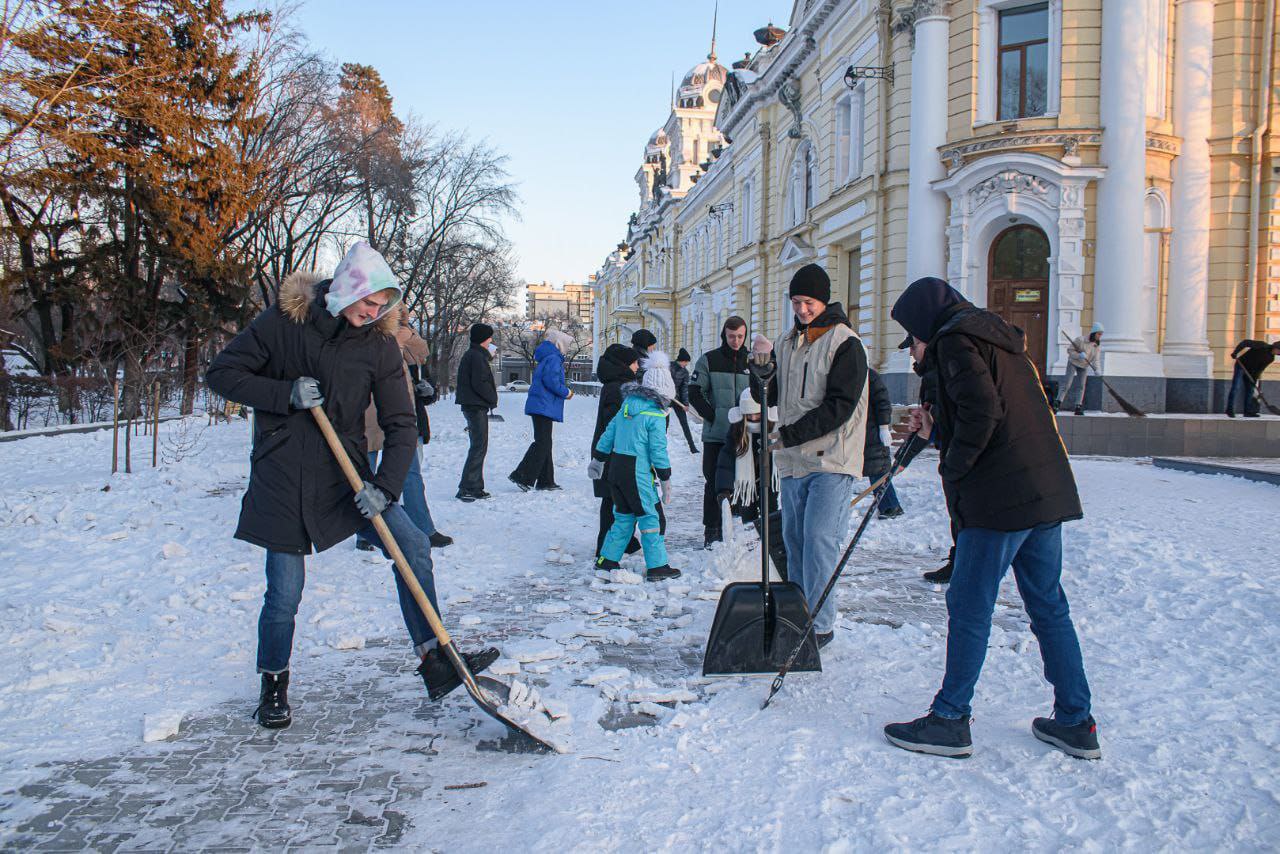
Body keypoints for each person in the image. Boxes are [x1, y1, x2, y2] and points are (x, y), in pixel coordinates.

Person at [205, 242, 497, 730]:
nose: (374, 312)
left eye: (383, 305)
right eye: (369, 302)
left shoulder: (379, 343)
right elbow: (222, 373)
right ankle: (273, 682)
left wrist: (384, 484)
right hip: (286, 473)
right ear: (346, 289)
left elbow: (401, 423)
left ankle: (434, 658)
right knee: (285, 591)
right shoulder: (284, 322)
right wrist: (284, 394)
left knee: (412, 546)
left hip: (348, 472)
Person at [882, 276, 1096, 761]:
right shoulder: (995, 339)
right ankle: (1076, 721)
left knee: (970, 605)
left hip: (999, 500)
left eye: (913, 340)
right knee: (1047, 605)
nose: (913, 352)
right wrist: (938, 430)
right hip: (1042, 492)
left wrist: (955, 467)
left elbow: (984, 415)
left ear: (924, 328)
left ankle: (951, 718)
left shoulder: (955, 342)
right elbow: (991, 415)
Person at [751, 264, 868, 649]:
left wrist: (788, 436)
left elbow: (840, 406)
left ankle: (820, 624)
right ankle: (798, 612)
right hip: (793, 461)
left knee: (819, 539)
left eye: (809, 302)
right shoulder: (788, 342)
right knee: (795, 539)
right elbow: (771, 391)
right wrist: (761, 368)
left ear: (824, 300)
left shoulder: (845, 343)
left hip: (831, 460)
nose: (802, 310)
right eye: (797, 302)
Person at [357, 307, 453, 552]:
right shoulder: (363, 333)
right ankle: (366, 531)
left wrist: (405, 329)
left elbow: (421, 352)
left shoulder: (401, 335)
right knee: (367, 476)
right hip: (368, 414)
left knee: (411, 473)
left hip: (399, 416)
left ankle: (422, 526)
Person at [590, 351, 681, 582]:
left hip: (616, 470)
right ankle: (658, 566)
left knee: (623, 517)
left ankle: (607, 560)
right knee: (651, 518)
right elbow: (657, 452)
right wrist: (666, 478)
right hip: (636, 472)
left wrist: (598, 459)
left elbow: (608, 433)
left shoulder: (628, 406)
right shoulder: (655, 415)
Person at [689, 316, 750, 547]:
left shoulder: (751, 360)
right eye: (731, 336)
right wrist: (713, 416)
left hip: (744, 435)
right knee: (713, 482)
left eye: (740, 336)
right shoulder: (709, 360)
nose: (736, 341)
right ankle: (712, 530)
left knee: (743, 483)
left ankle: (738, 529)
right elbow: (695, 391)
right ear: (724, 335)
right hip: (716, 436)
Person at [714, 388, 788, 579]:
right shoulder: (737, 431)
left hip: (770, 480)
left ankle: (772, 548)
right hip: (745, 485)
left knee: (770, 512)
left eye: (757, 413)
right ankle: (751, 550)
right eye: (749, 414)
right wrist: (724, 488)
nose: (754, 417)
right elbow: (726, 460)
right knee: (747, 513)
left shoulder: (775, 427)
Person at [590, 343, 647, 557]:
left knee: (618, 500)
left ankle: (623, 541)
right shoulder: (617, 388)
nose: (637, 367)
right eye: (634, 363)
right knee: (614, 501)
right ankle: (605, 548)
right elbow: (615, 423)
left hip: (615, 452)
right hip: (614, 453)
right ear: (624, 364)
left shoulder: (617, 385)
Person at [510, 329, 574, 490]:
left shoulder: (548, 357)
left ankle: (546, 480)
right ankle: (522, 476)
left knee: (545, 442)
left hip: (541, 405)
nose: (568, 348)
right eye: (567, 345)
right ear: (559, 344)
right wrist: (566, 392)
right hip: (543, 405)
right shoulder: (553, 359)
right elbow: (551, 381)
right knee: (542, 443)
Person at [455, 322, 498, 501]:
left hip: (473, 405)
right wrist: (492, 398)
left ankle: (474, 486)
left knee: (478, 446)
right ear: (483, 338)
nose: (491, 340)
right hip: (475, 406)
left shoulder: (474, 355)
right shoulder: (477, 357)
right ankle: (468, 487)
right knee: (478, 447)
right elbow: (480, 383)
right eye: (489, 337)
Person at [863, 368, 904, 520]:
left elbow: (883, 402)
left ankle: (890, 506)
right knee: (875, 469)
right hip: (864, 431)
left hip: (873, 432)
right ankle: (889, 506)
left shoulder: (869, 376)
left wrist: (883, 427)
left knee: (877, 469)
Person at [1057, 323, 1103, 415]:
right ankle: (1057, 403)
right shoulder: (1080, 340)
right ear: (1094, 333)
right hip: (1073, 362)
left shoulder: (1096, 346)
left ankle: (1078, 406)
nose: (1100, 336)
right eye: (1099, 334)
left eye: (1101, 334)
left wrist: (1097, 370)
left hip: (1084, 365)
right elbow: (1070, 350)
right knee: (1067, 383)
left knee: (1081, 386)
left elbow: (1096, 359)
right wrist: (1079, 355)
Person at [1226, 338, 1279, 418]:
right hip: (1241, 365)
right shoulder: (1262, 345)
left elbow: (1260, 369)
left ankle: (1247, 411)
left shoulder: (1270, 358)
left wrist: (1254, 379)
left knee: (1250, 390)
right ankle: (1229, 409)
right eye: (1279, 350)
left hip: (1250, 372)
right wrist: (1235, 352)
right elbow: (1245, 342)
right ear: (1275, 347)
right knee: (1235, 387)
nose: (1279, 353)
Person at [670, 348, 699, 454]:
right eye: (686, 362)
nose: (686, 364)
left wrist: (685, 404)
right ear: (682, 360)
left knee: (684, 423)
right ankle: (661, 445)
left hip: (678, 400)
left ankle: (692, 446)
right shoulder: (668, 367)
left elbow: (684, 389)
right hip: (665, 398)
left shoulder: (685, 373)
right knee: (662, 422)